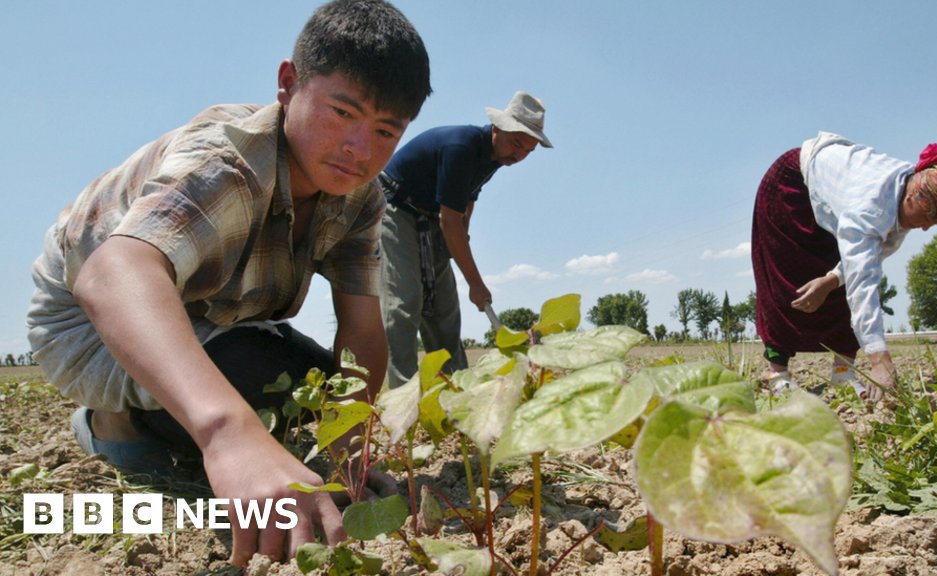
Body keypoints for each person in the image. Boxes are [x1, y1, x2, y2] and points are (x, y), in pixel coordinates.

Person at [25, 0, 430, 566]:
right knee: (247, 391)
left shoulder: (360, 198)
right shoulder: (229, 162)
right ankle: (113, 424)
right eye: (342, 112)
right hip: (91, 321)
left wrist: (345, 455)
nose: (358, 150)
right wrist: (226, 433)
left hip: (209, 316)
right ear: (288, 84)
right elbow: (114, 273)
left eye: (386, 130)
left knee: (306, 394)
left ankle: (193, 418)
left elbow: (362, 328)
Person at [751, 132, 937, 402]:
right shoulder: (871, 207)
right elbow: (863, 281)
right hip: (789, 189)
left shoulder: (907, 190)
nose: (927, 227)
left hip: (834, 202)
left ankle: (843, 372)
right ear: (912, 199)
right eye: (929, 218)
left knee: (833, 286)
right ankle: (778, 375)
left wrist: (832, 279)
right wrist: (879, 359)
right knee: (787, 280)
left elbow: (871, 257)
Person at [377, 91, 552, 386]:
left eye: (528, 152)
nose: (519, 156)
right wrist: (475, 283)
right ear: (498, 128)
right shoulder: (461, 148)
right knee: (404, 303)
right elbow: (450, 222)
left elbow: (466, 202)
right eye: (517, 144)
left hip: (434, 217)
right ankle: (401, 397)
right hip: (396, 207)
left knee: (445, 309)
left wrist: (460, 238)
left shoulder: (496, 157)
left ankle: (459, 392)